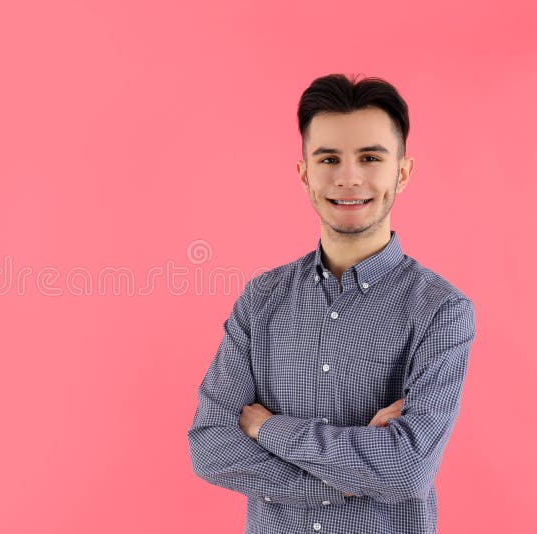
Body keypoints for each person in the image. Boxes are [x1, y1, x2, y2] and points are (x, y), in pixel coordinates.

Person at [187, 73, 476, 534]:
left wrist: (268, 430)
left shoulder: (442, 310)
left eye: (370, 158)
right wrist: (347, 479)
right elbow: (209, 447)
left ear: (402, 172)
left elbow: (408, 468)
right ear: (305, 174)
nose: (348, 178)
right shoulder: (261, 300)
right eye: (329, 159)